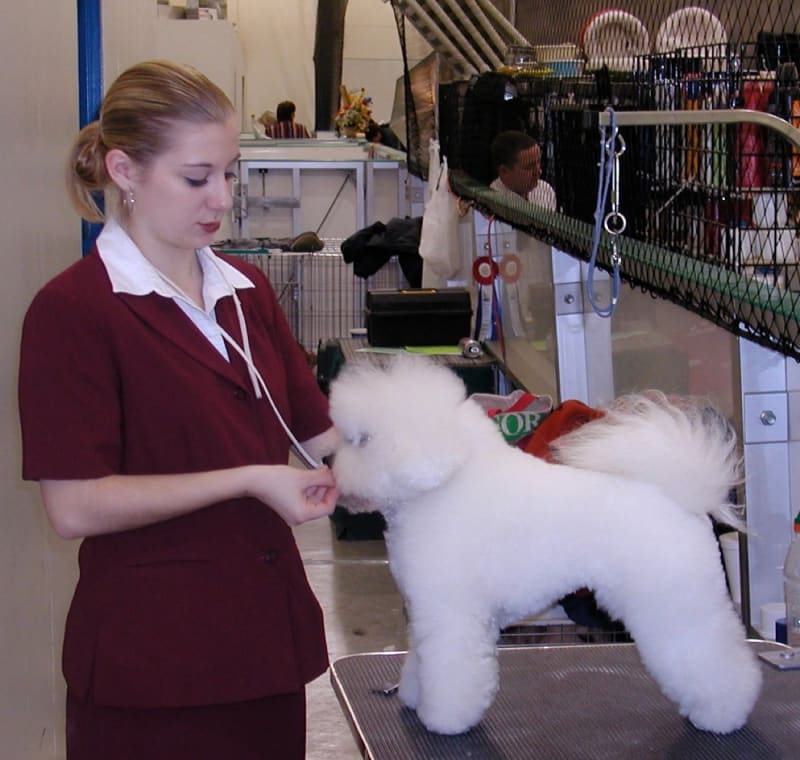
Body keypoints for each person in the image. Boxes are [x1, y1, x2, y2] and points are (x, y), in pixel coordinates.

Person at [18, 60, 339, 760]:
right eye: (197, 178)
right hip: (154, 671)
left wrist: (462, 444)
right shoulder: (73, 312)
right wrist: (250, 479)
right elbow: (73, 507)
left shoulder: (246, 291)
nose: (219, 199)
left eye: (231, 173)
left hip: (265, 655)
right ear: (125, 171)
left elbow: (322, 436)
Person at [489, 130, 556, 210]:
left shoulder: (545, 190)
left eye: (538, 162)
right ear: (504, 172)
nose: (539, 171)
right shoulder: (492, 204)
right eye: (529, 167)